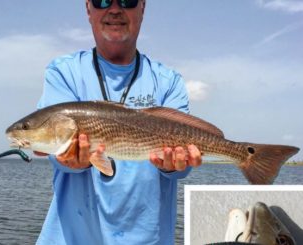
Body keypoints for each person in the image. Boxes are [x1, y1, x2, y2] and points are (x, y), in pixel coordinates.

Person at [36, 0, 202, 244]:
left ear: (143, 8)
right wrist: (70, 160)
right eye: (102, 0)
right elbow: (56, 154)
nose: (114, 9)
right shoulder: (64, 72)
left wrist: (173, 164)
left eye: (128, 0)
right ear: (88, 8)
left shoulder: (169, 81)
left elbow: (183, 167)